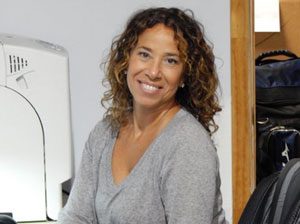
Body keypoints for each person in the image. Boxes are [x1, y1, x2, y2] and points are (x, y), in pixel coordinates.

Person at [58, 7, 227, 224]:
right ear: (127, 60)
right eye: (145, 54)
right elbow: (76, 216)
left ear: (185, 75)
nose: (153, 72)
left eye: (171, 61)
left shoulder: (187, 144)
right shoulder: (105, 132)